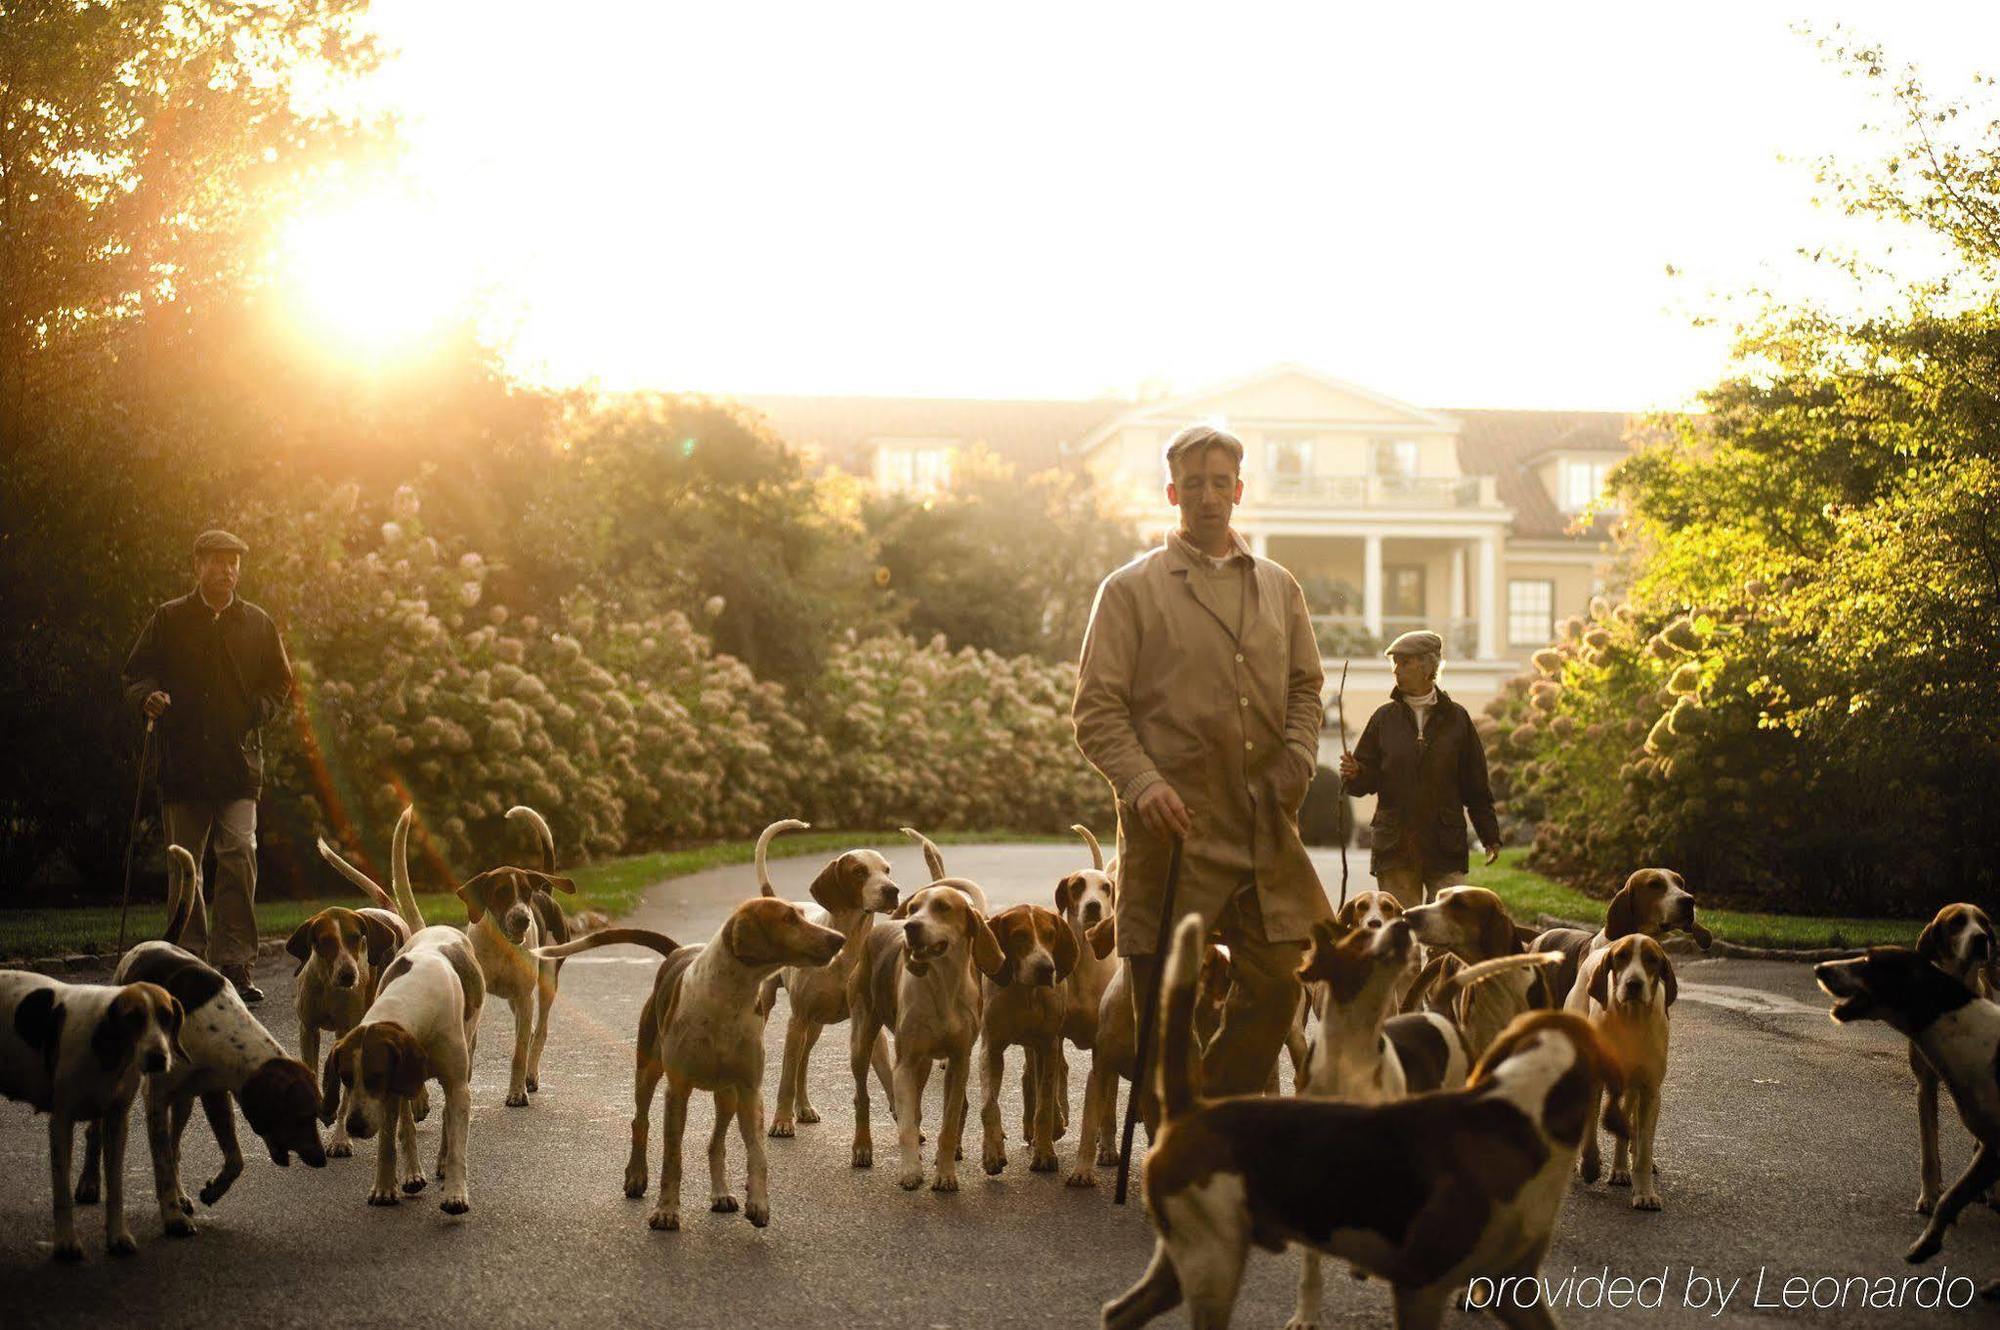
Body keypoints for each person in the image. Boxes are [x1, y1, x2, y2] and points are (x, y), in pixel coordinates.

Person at [1072, 423, 1326, 1114]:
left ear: (1239, 491)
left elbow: (1306, 688)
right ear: (1172, 494)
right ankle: (1181, 1148)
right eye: (1194, 486)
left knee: (1280, 981)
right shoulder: (1130, 590)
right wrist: (1143, 782)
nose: (1208, 498)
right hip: (1173, 834)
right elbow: (1097, 711)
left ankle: (1211, 1111)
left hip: (1262, 828)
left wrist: (1300, 755)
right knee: (1162, 1010)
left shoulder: (1279, 587)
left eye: (1221, 484)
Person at [122, 529, 294, 1003]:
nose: (227, 569)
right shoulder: (169, 618)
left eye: (234, 561)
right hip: (182, 764)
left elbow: (280, 682)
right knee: (185, 866)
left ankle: (235, 964)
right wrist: (147, 697)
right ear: (197, 564)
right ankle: (189, 960)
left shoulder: (258, 623)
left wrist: (257, 711)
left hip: (239, 765)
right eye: (217, 561)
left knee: (240, 855)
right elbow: (136, 672)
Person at [1337, 630, 1501, 908]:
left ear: (1428, 667)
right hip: (1396, 846)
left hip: (1445, 843)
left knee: (1448, 928)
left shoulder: (1457, 719)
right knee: (1401, 933)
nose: (1396, 671)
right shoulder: (1383, 719)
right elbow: (1366, 780)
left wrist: (1490, 836)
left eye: (1405, 663)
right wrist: (1356, 774)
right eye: (1395, 664)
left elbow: (1475, 785)